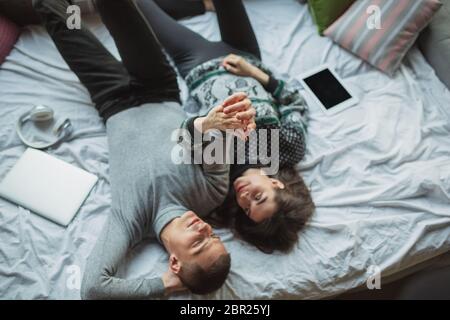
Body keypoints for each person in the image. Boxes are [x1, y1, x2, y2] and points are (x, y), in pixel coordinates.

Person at [33, 0, 254, 298]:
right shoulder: (212, 193)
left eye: (199, 243)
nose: (203, 229)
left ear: (174, 262)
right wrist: (211, 123)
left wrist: (162, 285)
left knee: (56, 14)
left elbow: (94, 288)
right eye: (213, 235)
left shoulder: (131, 222)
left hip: (111, 96)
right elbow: (203, 135)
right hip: (157, 84)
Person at [136, 0, 315, 253]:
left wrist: (208, 122)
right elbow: (294, 103)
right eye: (258, 197)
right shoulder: (287, 148)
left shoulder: (218, 179)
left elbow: (183, 135)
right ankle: (200, 5)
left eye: (246, 208)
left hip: (198, 62)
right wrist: (255, 73)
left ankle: (195, 6)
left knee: (137, 7)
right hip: (248, 58)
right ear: (276, 185)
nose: (244, 197)